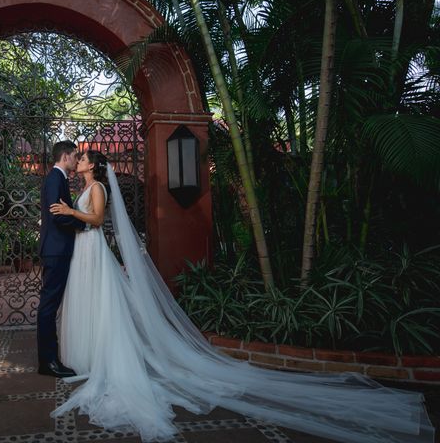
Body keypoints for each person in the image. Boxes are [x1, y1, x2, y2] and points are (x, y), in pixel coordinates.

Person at [48, 149, 435, 443]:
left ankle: (107, 360)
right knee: (92, 305)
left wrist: (71, 211)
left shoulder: (96, 188)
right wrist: (70, 209)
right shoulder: (85, 186)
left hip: (94, 250)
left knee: (105, 308)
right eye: (78, 157)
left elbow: (97, 221)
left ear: (94, 167)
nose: (78, 159)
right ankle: (87, 355)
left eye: (82, 158)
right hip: (85, 253)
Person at [36, 141, 86, 378]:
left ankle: (50, 358)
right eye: (75, 156)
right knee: (49, 305)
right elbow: (58, 215)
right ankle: (48, 362)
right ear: (65, 156)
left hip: (57, 249)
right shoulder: (56, 179)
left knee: (51, 304)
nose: (77, 160)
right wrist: (82, 223)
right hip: (56, 250)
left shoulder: (59, 178)